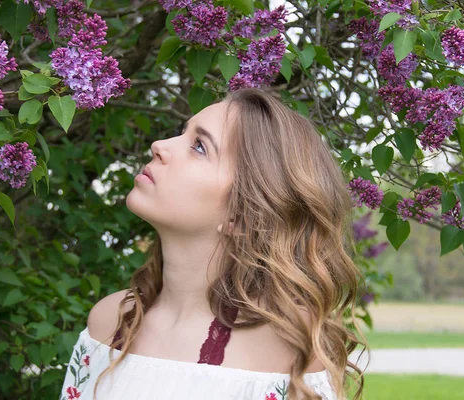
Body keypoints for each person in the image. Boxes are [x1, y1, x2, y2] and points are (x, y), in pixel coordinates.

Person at [58, 87, 368, 400]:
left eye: (200, 147)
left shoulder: (285, 347)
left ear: (243, 214)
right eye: (182, 132)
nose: (159, 146)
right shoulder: (109, 320)